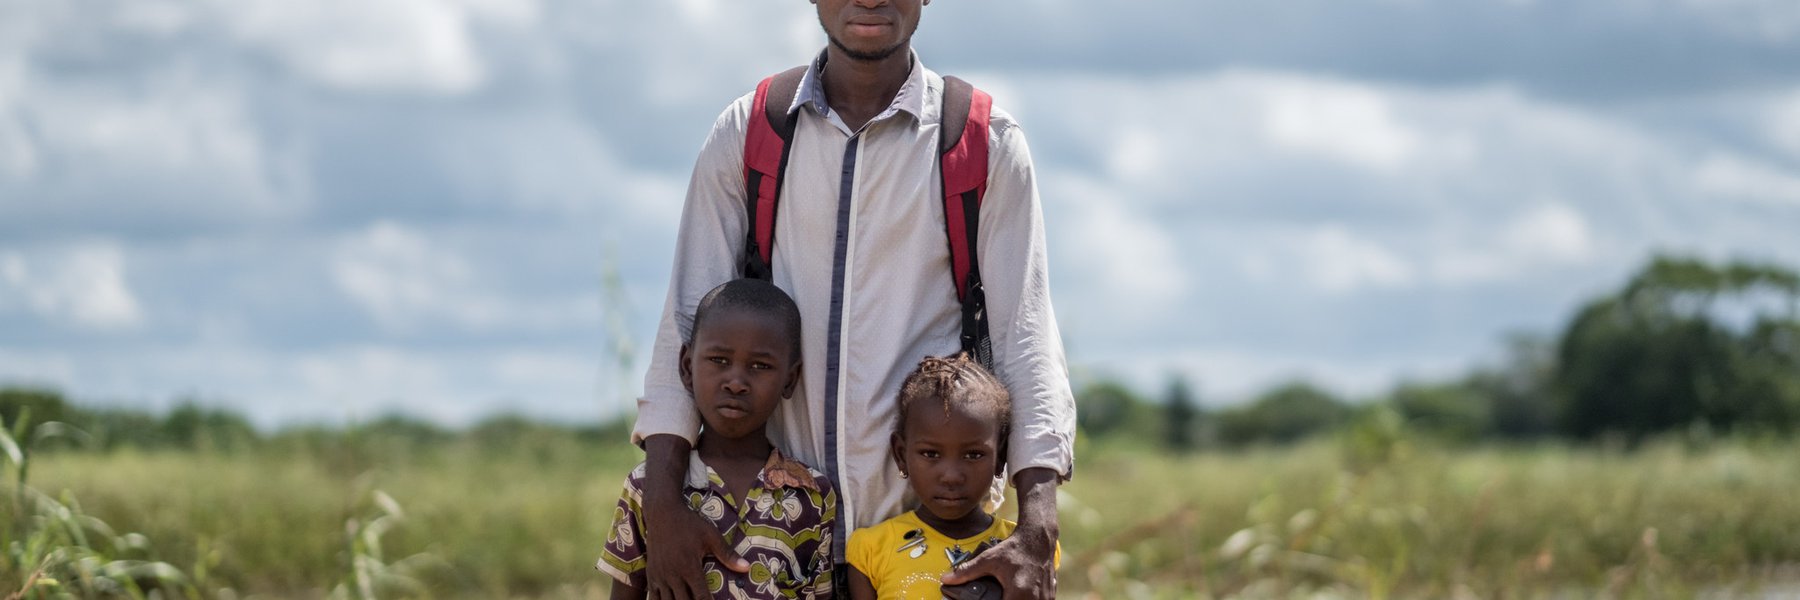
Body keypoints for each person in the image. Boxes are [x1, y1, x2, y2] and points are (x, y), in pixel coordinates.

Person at [631, 0, 1075, 598]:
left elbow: (1026, 339)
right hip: (764, 546)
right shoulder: (749, 131)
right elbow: (686, 326)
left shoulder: (981, 141)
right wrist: (661, 506)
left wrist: (1038, 524)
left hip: (928, 558)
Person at [598, 279, 837, 599]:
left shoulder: (813, 494)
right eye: (719, 360)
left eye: (760, 366)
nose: (736, 381)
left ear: (789, 379)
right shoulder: (647, 488)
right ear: (687, 366)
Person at [846, 355, 1058, 600]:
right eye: (931, 453)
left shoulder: (1023, 552)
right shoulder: (871, 549)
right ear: (901, 454)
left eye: (973, 454)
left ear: (1000, 458)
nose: (951, 476)